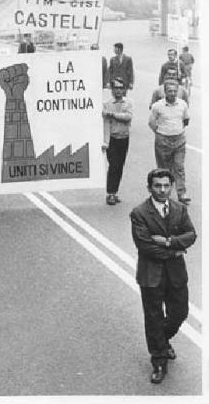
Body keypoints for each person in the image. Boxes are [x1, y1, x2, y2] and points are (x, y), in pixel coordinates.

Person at [130, 168, 196, 384]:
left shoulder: (179, 209)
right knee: (153, 317)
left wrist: (168, 242)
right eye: (157, 186)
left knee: (180, 313)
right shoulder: (139, 213)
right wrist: (175, 250)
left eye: (166, 185)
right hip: (151, 275)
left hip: (176, 274)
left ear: (171, 186)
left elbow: (191, 234)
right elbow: (145, 246)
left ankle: (162, 340)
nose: (162, 190)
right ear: (150, 188)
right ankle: (159, 361)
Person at [148, 81, 190, 204]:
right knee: (164, 170)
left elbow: (186, 120)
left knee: (179, 167)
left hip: (179, 140)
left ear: (178, 92)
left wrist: (176, 130)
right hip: (163, 141)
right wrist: (161, 132)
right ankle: (164, 194)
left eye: (174, 91)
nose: (172, 93)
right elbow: (151, 123)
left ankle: (182, 193)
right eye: (169, 91)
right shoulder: (157, 106)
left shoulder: (182, 104)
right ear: (165, 92)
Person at [102, 77, 133, 205]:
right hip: (113, 139)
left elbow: (128, 117)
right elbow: (105, 122)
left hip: (124, 138)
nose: (119, 91)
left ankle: (115, 192)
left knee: (120, 166)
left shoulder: (128, 103)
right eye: (116, 88)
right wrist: (105, 141)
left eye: (121, 88)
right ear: (112, 90)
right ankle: (110, 193)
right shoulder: (107, 104)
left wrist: (113, 115)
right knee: (113, 165)